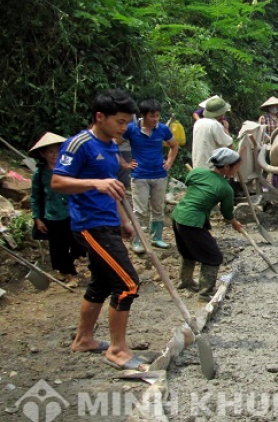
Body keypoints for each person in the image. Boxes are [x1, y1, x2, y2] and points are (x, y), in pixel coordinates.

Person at [52, 89, 146, 371]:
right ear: (100, 117)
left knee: (103, 283)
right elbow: (57, 182)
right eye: (120, 121)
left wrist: (124, 221)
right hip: (90, 225)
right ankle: (117, 350)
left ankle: (83, 339)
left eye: (128, 121)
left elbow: (113, 188)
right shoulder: (79, 144)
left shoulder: (111, 146)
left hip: (108, 222)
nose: (125, 127)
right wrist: (95, 184)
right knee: (128, 284)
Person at [172, 148, 244, 302]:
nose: (237, 171)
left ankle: (185, 282)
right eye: (236, 167)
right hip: (192, 221)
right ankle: (206, 293)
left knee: (188, 251)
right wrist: (234, 222)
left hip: (178, 216)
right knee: (214, 256)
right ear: (226, 167)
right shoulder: (226, 188)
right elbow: (227, 213)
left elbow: (188, 181)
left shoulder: (197, 173)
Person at [29, 132, 87, 287]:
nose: (54, 155)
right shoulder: (40, 175)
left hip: (73, 212)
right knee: (59, 247)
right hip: (52, 216)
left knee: (78, 243)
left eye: (57, 150)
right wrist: (37, 218)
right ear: (43, 154)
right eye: (50, 152)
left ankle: (74, 261)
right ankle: (70, 275)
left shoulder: (70, 169)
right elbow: (35, 197)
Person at [122, 99, 179, 253]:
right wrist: (124, 164)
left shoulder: (162, 129)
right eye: (152, 116)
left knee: (158, 208)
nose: (155, 119)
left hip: (159, 175)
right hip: (140, 175)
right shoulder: (131, 129)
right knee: (139, 210)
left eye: (158, 116)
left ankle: (157, 238)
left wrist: (169, 162)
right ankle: (137, 240)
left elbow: (174, 145)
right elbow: (113, 144)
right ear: (143, 115)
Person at [192, 96, 233, 170]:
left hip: (197, 166)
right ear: (221, 113)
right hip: (210, 168)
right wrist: (226, 128)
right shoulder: (215, 125)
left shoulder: (198, 122)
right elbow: (229, 145)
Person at [258, 96, 278, 189]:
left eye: (276, 106)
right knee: (266, 166)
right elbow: (261, 131)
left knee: (277, 165)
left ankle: (276, 187)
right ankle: (263, 186)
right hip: (268, 145)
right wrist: (271, 138)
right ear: (269, 108)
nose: (275, 108)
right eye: (272, 106)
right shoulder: (264, 118)